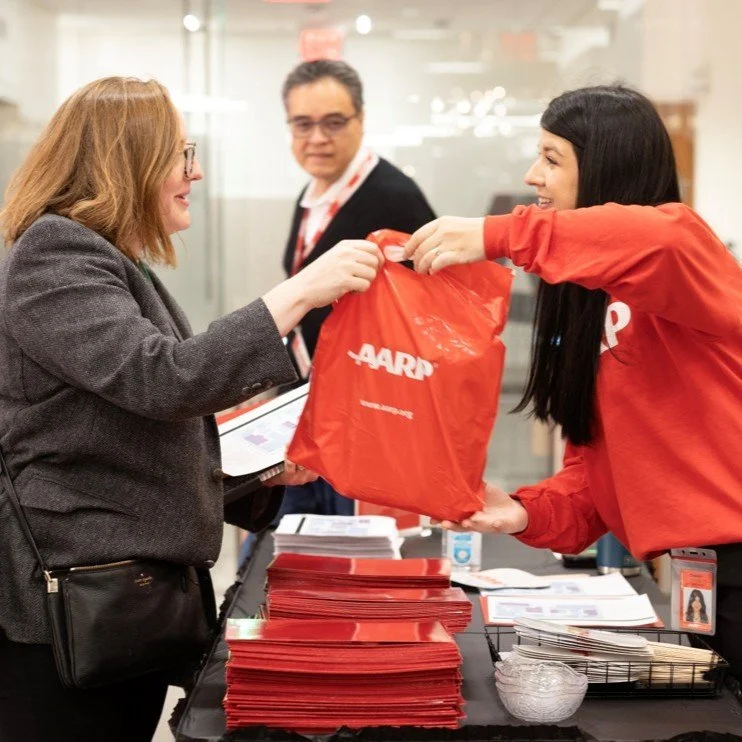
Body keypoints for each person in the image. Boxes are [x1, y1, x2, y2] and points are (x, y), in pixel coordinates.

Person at [0, 76, 382, 742]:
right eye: (181, 155)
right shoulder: (52, 256)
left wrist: (260, 477)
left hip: (120, 601)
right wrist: (297, 294)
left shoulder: (106, 259)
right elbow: (165, 381)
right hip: (67, 611)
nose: (195, 172)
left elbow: (135, 428)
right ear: (130, 161)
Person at [404, 85, 742, 679]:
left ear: (607, 165)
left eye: (553, 158)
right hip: (697, 584)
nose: (534, 177)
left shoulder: (685, 251)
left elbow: (658, 238)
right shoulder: (591, 303)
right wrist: (519, 512)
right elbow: (592, 485)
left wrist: (498, 235)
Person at [239, 59, 436, 554]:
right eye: (303, 124)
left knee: (350, 564)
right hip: (309, 411)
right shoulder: (313, 195)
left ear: (361, 120)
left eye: (334, 122)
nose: (318, 138)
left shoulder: (393, 198)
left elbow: (428, 315)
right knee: (285, 556)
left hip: (366, 423)